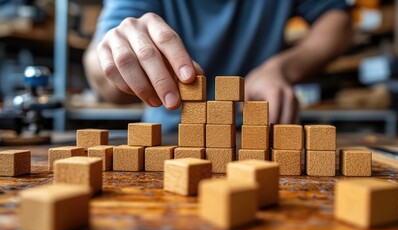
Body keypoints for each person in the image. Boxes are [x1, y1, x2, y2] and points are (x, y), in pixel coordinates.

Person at [84, 0, 352, 132]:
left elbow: (338, 21)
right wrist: (116, 60)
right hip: (170, 135)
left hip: (262, 130)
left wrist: (283, 68)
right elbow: (98, 67)